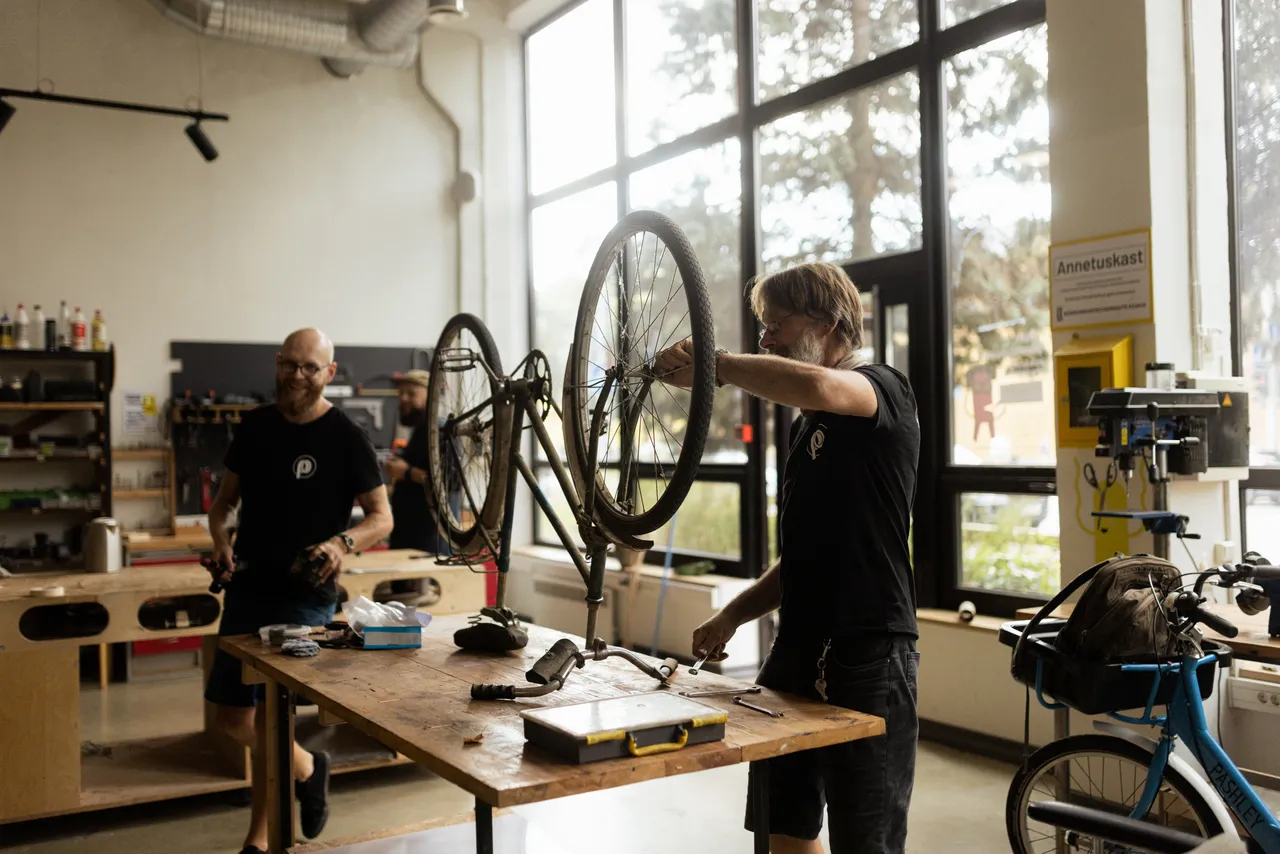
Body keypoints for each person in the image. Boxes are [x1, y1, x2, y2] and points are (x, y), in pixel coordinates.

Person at [654, 262, 921, 854]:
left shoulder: (882, 388)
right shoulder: (809, 431)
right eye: (764, 327)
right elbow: (804, 556)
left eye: (777, 324)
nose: (767, 338)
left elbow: (821, 386)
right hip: (799, 648)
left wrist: (713, 365)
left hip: (869, 650)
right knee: (784, 824)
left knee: (866, 839)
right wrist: (733, 615)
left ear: (827, 323)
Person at [204, 328, 394, 854]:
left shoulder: (346, 438)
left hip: (305, 593)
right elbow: (223, 506)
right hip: (248, 585)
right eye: (289, 364)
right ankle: (309, 766)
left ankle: (260, 840)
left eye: (310, 367)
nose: (297, 375)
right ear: (277, 363)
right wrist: (221, 541)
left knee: (268, 717)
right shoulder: (256, 427)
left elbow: (382, 517)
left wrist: (340, 545)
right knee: (231, 719)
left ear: (329, 373)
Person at [384, 369, 442, 553]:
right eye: (401, 394)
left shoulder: (440, 432)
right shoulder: (419, 431)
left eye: (411, 393)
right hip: (408, 540)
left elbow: (448, 485)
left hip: (428, 546)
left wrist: (405, 472)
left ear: (431, 396)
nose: (403, 399)